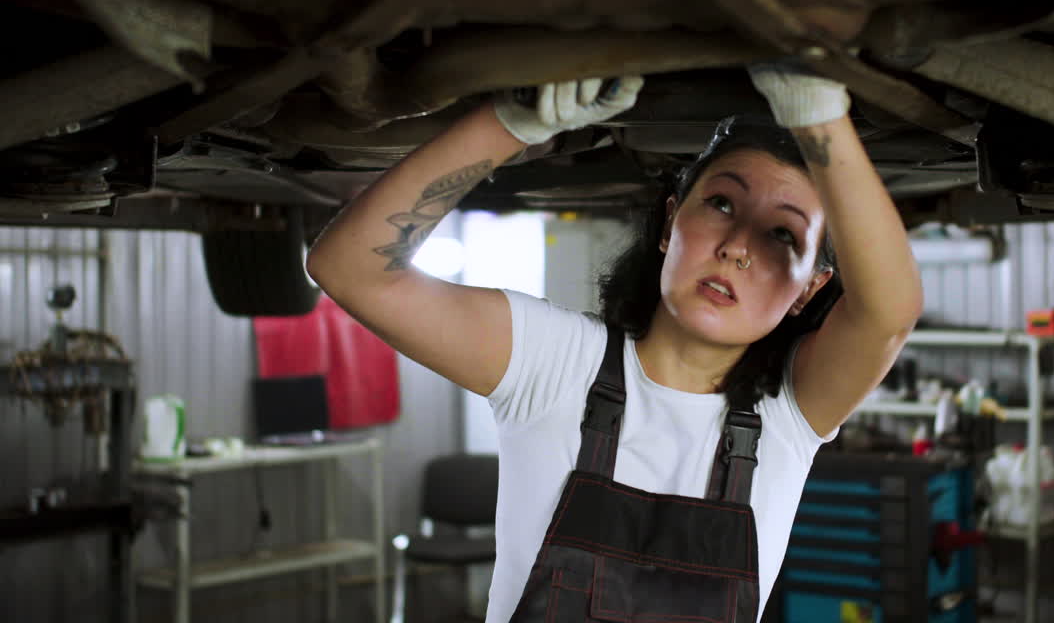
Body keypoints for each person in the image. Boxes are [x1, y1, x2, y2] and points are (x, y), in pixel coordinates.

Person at [306, 68, 923, 622]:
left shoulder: (790, 411)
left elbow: (887, 314)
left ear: (809, 291)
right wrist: (509, 124)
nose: (738, 244)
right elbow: (349, 267)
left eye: (782, 236)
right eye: (721, 202)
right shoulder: (554, 363)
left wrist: (819, 116)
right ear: (670, 221)